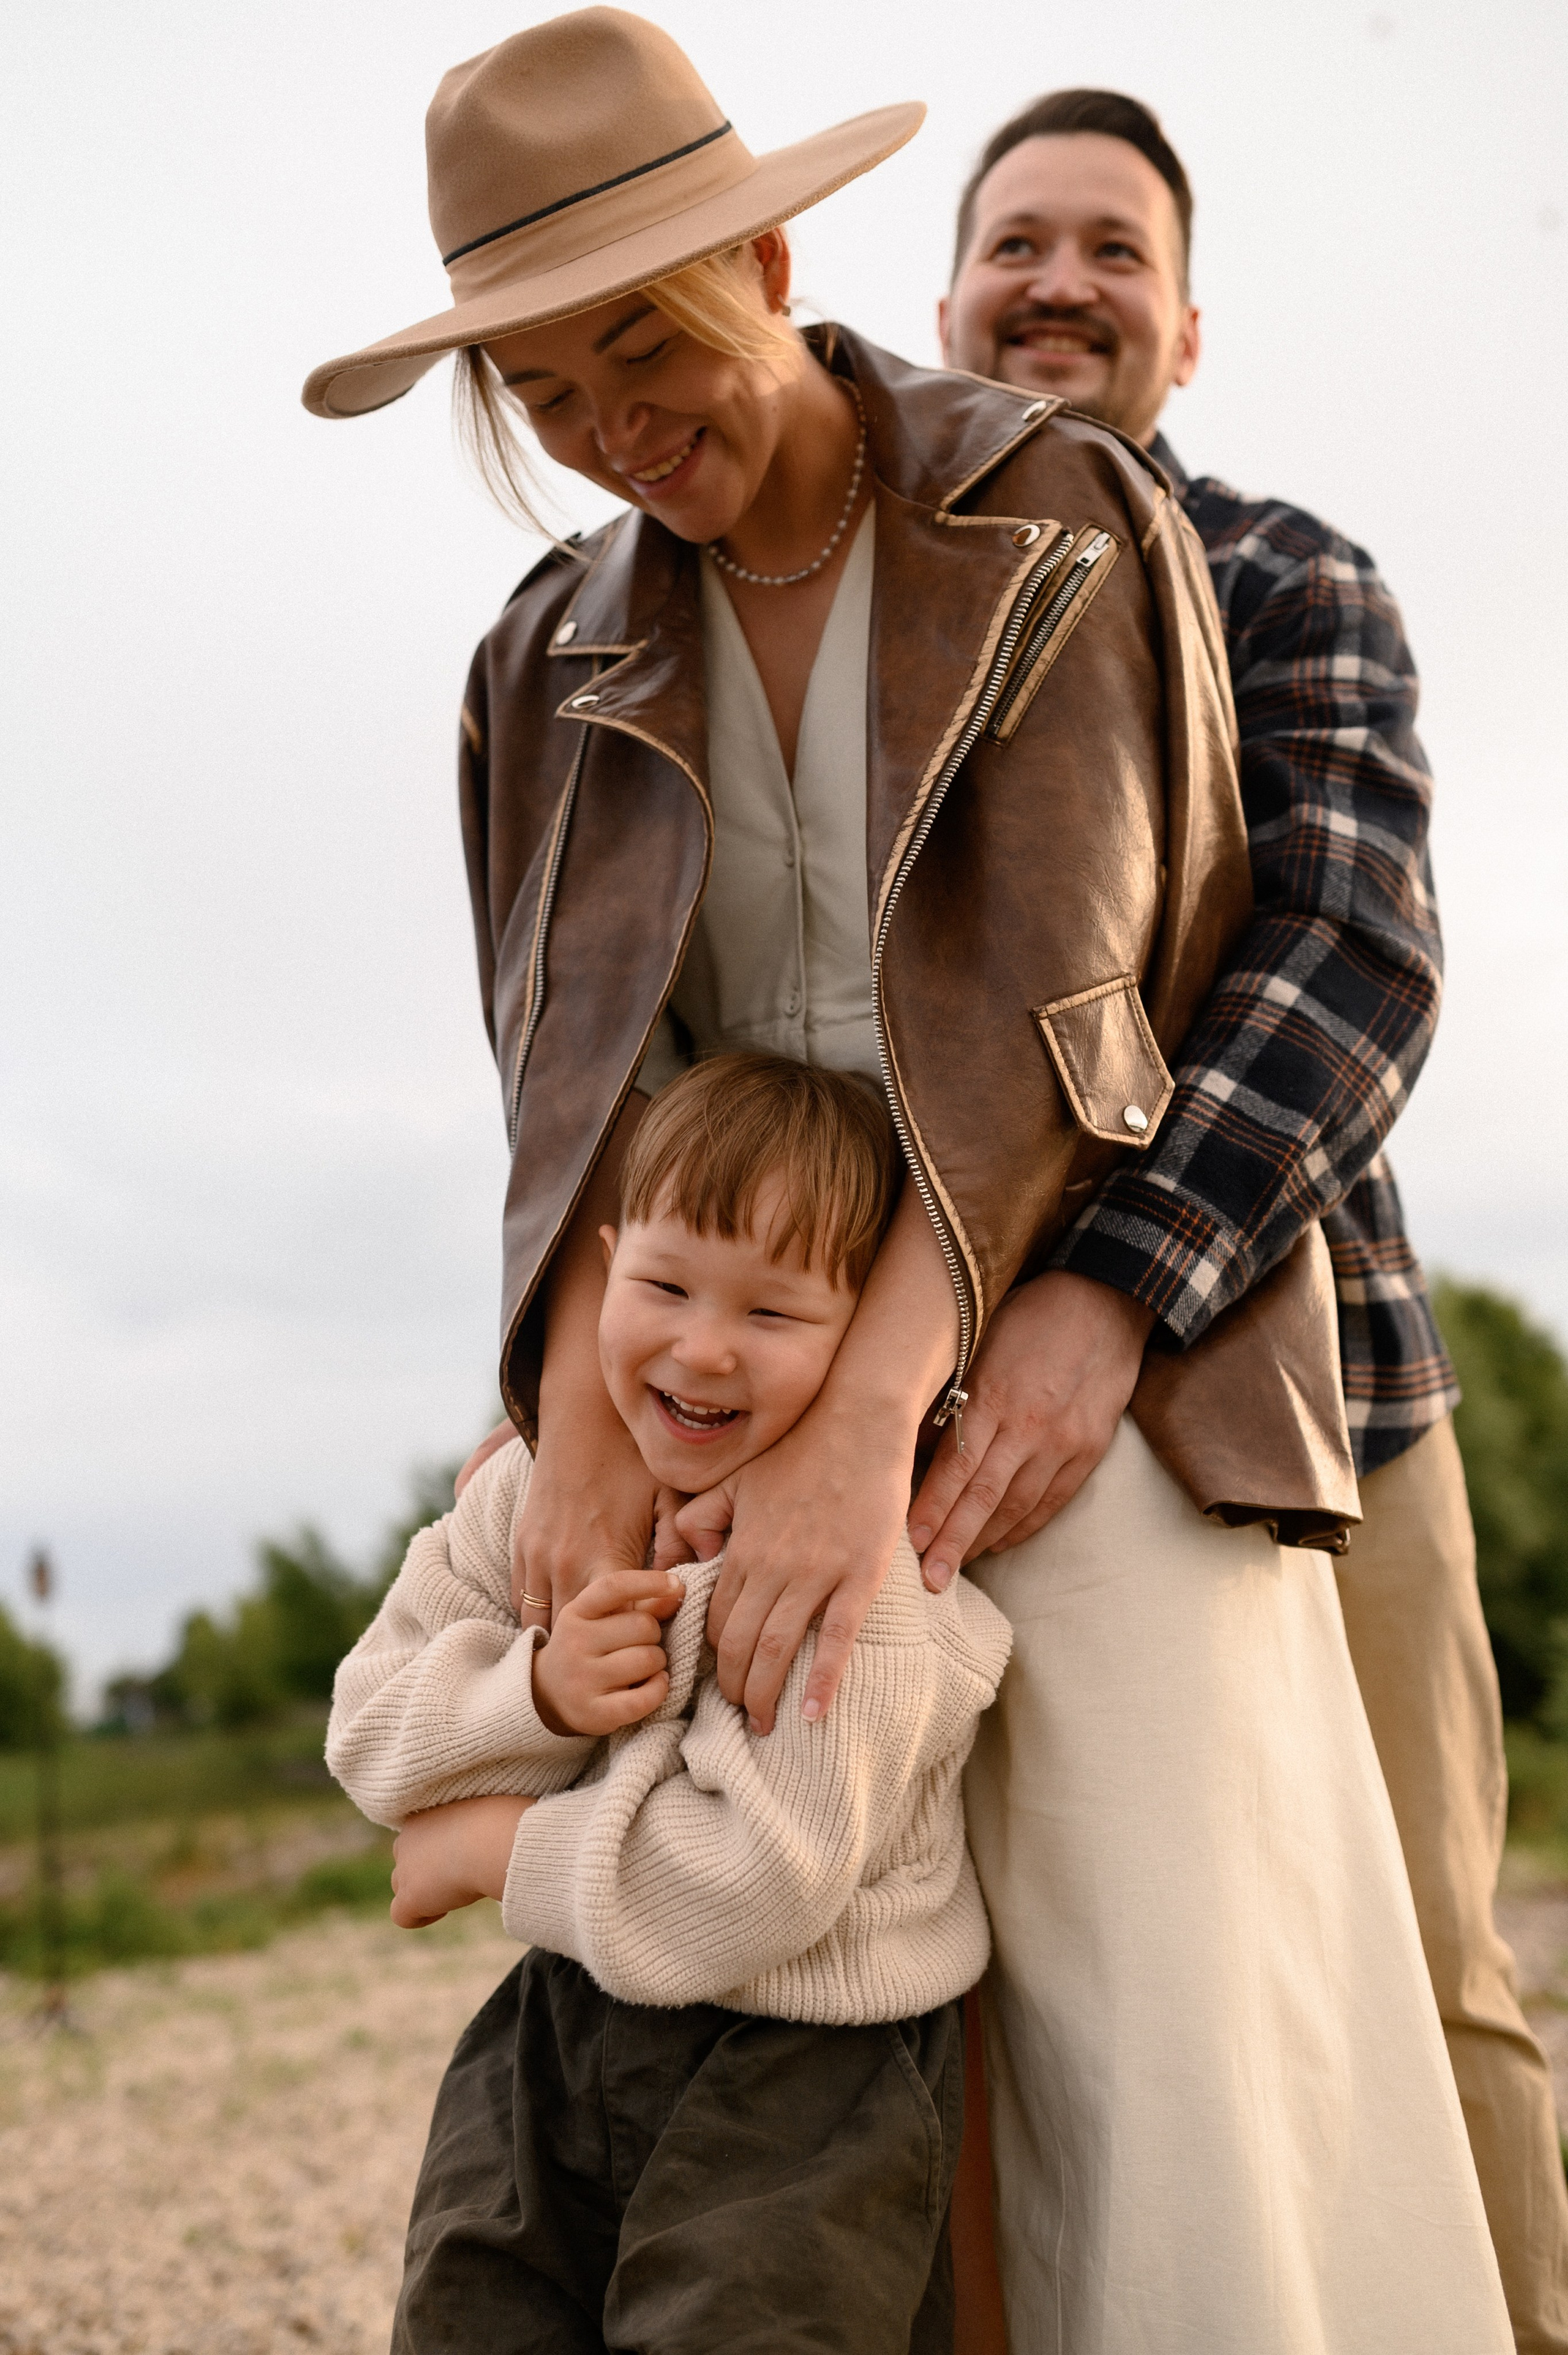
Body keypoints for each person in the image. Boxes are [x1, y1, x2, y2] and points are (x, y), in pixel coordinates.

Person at [303, 12, 1512, 2345]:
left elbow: (1088, 999)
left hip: (1081, 1311)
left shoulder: (1050, 502)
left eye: (642, 349)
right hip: (726, 1335)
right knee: (785, 1968)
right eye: (542, 399)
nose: (611, 430)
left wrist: (881, 1424)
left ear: (770, 254)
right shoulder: (540, 656)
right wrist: (572, 1400)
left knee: (1150, 1963)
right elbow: (574, 1081)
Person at [938, 88, 1568, 2354]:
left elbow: (1353, 962)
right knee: (1017, 1993)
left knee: (1418, 1954)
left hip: (1330, 1398)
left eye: (1114, 252)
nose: (1061, 283)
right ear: (946, 301)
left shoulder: (1292, 576)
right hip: (955, 1434)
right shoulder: (874, 638)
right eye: (1021, 243)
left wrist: (1114, 1275)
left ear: (1185, 331)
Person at [328, 1055, 1012, 2351]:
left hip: (809, 2068)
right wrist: (535, 1692)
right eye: (662, 1284)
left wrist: (488, 1844)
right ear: (601, 1260)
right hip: (562, 2017)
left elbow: (747, 1884)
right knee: (472, 2307)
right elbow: (368, 1726)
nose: (702, 1346)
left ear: (864, 1325)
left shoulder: (854, 1581)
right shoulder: (533, 1496)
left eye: (773, 1311)